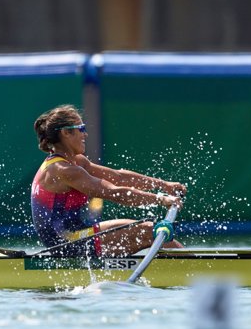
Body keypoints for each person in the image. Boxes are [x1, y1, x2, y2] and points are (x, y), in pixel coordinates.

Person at [31, 104, 186, 257]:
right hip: (66, 243)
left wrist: (164, 185)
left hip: (78, 234)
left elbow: (118, 177)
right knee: (151, 231)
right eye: (81, 129)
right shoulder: (63, 170)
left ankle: (186, 268)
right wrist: (161, 199)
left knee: (157, 232)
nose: (85, 135)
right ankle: (194, 274)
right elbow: (114, 192)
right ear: (66, 133)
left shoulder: (77, 162)